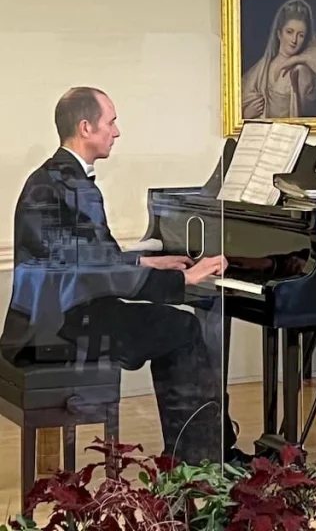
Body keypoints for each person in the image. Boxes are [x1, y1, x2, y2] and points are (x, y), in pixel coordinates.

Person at [1, 87, 240, 465]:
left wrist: (146, 264)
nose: (117, 131)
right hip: (62, 328)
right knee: (182, 329)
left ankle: (193, 453)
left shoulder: (52, 177)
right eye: (110, 122)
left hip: (41, 319)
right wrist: (185, 280)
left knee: (169, 328)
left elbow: (88, 260)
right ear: (85, 128)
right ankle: (200, 460)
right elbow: (97, 271)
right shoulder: (73, 186)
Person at [242, 0, 316, 120]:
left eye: (301, 35)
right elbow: (239, 99)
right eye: (289, 32)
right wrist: (247, 114)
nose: (294, 40)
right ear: (279, 33)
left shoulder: (302, 70)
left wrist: (296, 59)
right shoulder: (263, 68)